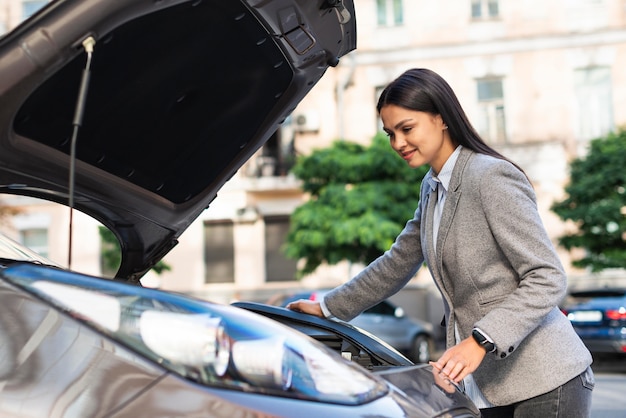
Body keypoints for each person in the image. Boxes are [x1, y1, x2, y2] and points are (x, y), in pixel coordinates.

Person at [286, 68, 594, 417]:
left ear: (441, 119)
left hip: (544, 379)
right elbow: (398, 261)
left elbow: (547, 276)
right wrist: (328, 307)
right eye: (390, 133)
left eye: (407, 128)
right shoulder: (432, 188)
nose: (398, 143)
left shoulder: (489, 175)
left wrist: (481, 340)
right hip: (488, 385)